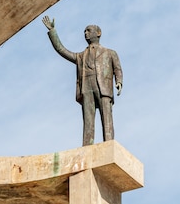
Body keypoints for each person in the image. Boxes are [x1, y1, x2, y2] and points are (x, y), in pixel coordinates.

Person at [42, 16, 123, 146]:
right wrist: (53, 32)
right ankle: (87, 146)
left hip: (103, 87)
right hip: (87, 87)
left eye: (88, 30)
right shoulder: (81, 56)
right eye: (84, 31)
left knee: (107, 117)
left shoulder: (110, 53)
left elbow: (117, 69)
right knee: (88, 120)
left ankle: (109, 144)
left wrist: (119, 81)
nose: (85, 33)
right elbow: (62, 50)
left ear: (98, 33)